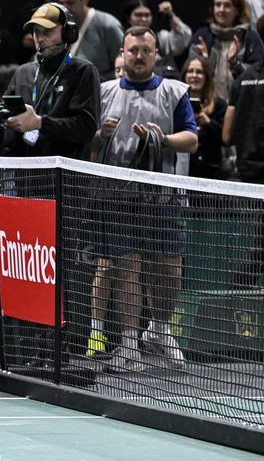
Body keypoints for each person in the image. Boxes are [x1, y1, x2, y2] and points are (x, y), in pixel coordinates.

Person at [89, 26, 197, 372]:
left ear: (155, 54)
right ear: (122, 53)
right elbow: (85, 144)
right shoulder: (104, 92)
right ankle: (128, 344)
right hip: (117, 198)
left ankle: (160, 331)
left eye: (145, 51)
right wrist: (98, 135)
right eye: (132, 50)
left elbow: (191, 139)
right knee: (126, 268)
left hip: (164, 198)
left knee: (168, 269)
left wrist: (162, 138)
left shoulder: (174, 91)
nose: (139, 56)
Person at [3, 3, 100, 159]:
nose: (40, 39)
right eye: (36, 32)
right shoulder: (23, 72)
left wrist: (40, 123)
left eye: (47, 32)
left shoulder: (83, 71)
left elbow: (86, 128)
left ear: (68, 32)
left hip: (65, 173)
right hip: (24, 171)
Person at [221, 53, 264, 287]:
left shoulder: (243, 79)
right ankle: (234, 296)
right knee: (259, 246)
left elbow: (226, 136)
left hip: (247, 172)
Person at [189, 0, 263, 103]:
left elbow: (257, 77)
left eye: (227, 5)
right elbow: (189, 78)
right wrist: (205, 63)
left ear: (237, 10)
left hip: (240, 106)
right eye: (218, 5)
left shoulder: (250, 38)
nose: (221, 10)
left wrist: (235, 63)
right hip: (207, 108)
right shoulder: (201, 36)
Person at [56, 0, 123, 81]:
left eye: (70, 2)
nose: (64, 8)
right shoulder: (57, 24)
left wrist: (95, 82)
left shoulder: (108, 25)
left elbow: (124, 65)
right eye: (61, 2)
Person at [181, 56, 226, 180]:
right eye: (190, 71)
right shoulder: (177, 103)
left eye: (199, 72)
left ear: (206, 77)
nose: (194, 75)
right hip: (184, 171)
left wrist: (208, 122)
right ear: (184, 75)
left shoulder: (219, 105)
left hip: (211, 172)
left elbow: (226, 139)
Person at [119, 0, 190, 74]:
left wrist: (171, 14)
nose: (143, 19)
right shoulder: (119, 36)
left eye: (147, 15)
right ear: (128, 17)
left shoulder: (160, 38)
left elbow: (184, 36)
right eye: (138, 15)